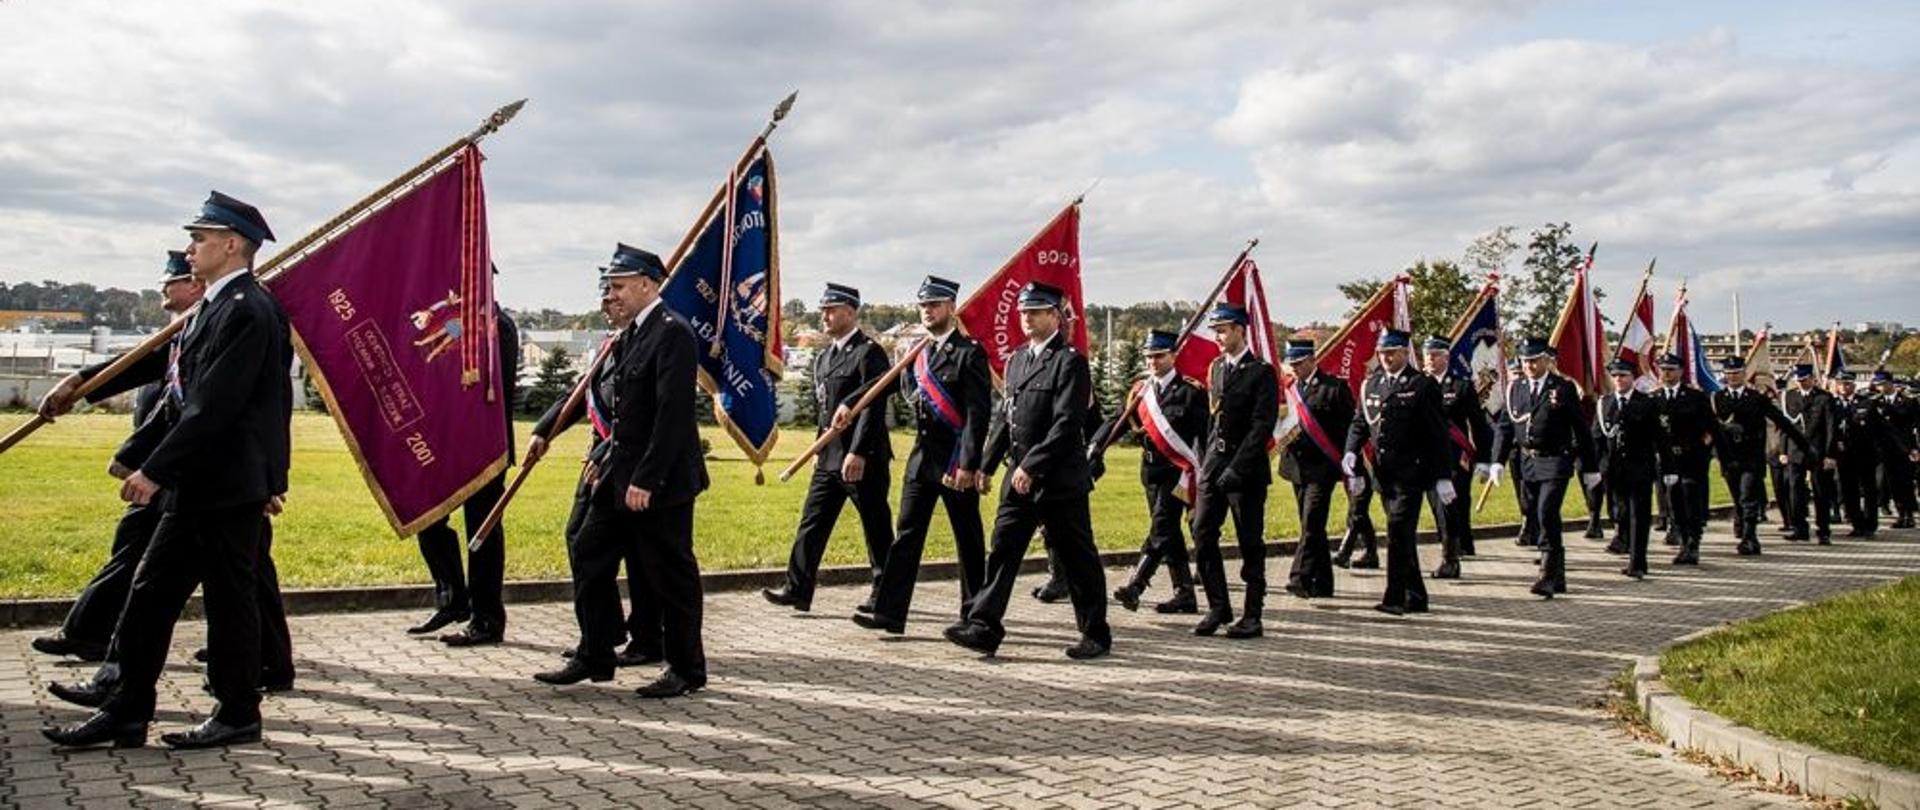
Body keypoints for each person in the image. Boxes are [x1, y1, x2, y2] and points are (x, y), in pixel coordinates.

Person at [42, 191, 292, 750]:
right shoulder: (215, 307)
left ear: (232, 245)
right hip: (203, 481)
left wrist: (153, 470)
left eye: (200, 238)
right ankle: (129, 708)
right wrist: (82, 383)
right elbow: (163, 364)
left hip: (225, 483)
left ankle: (234, 712)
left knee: (225, 600)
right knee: (155, 592)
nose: (191, 248)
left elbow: (214, 405)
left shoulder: (249, 310)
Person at [533, 243, 708, 699]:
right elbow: (608, 400)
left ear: (647, 284)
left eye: (619, 286)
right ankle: (595, 651)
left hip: (660, 481)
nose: (610, 294)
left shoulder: (672, 333)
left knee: (670, 575)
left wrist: (647, 479)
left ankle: (686, 669)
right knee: (587, 550)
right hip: (620, 472)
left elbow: (672, 416)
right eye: (609, 286)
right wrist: (547, 429)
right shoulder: (629, 336)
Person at [31, 252, 203, 662]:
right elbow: (143, 374)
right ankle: (90, 633)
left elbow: (217, 409)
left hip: (188, 469)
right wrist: (78, 381)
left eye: (173, 280)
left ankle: (259, 655)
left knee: (234, 565)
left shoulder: (217, 325)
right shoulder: (181, 332)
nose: (164, 288)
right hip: (158, 466)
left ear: (194, 284)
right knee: (133, 547)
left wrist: (268, 477)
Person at [945, 281, 1110, 660]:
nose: (1027, 318)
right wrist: (986, 464)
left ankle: (1095, 633)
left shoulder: (1070, 361)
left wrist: (1033, 464)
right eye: (1023, 312)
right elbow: (1008, 418)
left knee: (1077, 557)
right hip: (1019, 479)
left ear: (1055, 315)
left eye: (1035, 312)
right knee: (1003, 549)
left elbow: (1067, 423)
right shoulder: (1018, 360)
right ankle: (984, 626)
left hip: (1059, 481)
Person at [528, 278, 660, 668]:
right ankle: (602, 634)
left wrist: (605, 455)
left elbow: (641, 413)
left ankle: (643, 639)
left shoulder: (650, 342)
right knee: (580, 539)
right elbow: (580, 393)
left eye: (614, 294)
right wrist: (544, 430)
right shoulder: (610, 345)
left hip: (631, 463)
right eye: (604, 296)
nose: (607, 302)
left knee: (638, 554)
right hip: (602, 458)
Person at [854, 275, 991, 635]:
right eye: (923, 306)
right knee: (906, 537)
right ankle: (889, 613)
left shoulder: (969, 352)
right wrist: (848, 405)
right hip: (921, 462)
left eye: (934, 305)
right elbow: (884, 386)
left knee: (968, 540)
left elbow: (977, 414)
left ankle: (974, 615)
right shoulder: (919, 352)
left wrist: (969, 463)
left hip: (954, 462)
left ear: (951, 307)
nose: (928, 311)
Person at [763, 284, 894, 614]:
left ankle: (886, 594)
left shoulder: (869, 352)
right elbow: (826, 411)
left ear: (850, 312)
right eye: (823, 310)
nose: (824, 316)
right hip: (829, 456)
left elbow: (873, 406)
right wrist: (818, 450)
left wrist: (858, 451)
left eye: (831, 310)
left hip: (861, 458)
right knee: (812, 523)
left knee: (876, 527)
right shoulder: (824, 357)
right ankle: (797, 589)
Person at [409, 300, 519, 646]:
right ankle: (453, 598)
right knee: (426, 516)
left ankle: (487, 619)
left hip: (485, 446)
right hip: (448, 443)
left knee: (482, 531)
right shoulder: (456, 320)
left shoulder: (498, 325)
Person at [1090, 329, 1206, 614]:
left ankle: (1136, 584)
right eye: (1149, 357)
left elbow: (1204, 436)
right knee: (1169, 532)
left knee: (1161, 527)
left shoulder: (1190, 392)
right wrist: (1095, 446)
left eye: (1159, 356)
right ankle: (1184, 593)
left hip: (1178, 473)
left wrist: (1205, 474)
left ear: (1173, 356)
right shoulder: (1141, 391)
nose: (1153, 362)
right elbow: (1116, 421)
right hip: (1151, 472)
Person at [1344, 329, 1454, 615]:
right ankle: (1416, 595)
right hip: (1385, 475)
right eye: (1382, 353)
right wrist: (1350, 451)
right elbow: (1360, 423)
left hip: (1412, 473)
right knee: (1403, 537)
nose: (1386, 357)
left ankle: (1394, 598)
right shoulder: (1372, 384)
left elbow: (1438, 434)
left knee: (1397, 532)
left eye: (1392, 352)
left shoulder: (1422, 385)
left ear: (1406, 352)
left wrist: (1443, 476)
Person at [1185, 304, 1278, 639]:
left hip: (1246, 469)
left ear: (1240, 330)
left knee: (1249, 541)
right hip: (1215, 463)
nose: (1218, 337)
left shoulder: (1261, 372)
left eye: (1223, 330)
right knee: (1202, 532)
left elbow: (1262, 425)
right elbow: (1213, 423)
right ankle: (1218, 606)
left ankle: (1252, 614)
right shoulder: (1217, 368)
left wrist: (1238, 467)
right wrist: (1207, 463)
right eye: (1216, 331)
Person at [1488, 337, 1599, 598]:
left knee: (1547, 511)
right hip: (1528, 461)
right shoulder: (1515, 389)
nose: (1529, 366)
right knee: (1538, 514)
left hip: (1555, 459)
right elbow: (1505, 427)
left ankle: (1546, 576)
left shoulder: (1562, 388)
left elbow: (1580, 428)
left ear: (1546, 361)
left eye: (1535, 360)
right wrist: (1497, 461)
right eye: (1525, 361)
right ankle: (1558, 575)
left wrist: (1591, 467)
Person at [1709, 357, 1809, 556]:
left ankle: (1750, 537)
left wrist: (1804, 445)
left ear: (1744, 374)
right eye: (1728, 374)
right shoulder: (1717, 398)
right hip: (1729, 457)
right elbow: (1711, 425)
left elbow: (1781, 421)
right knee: (1738, 497)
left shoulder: (1756, 398)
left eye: (1736, 373)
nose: (1732, 377)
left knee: (1748, 497)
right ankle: (1742, 525)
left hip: (1751, 456)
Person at [1280, 339, 1353, 600]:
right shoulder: (1289, 389)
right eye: (1292, 363)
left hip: (1323, 467)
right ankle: (1323, 583)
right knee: (1313, 525)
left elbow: (1349, 427)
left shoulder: (1334, 388)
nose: (1295, 368)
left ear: (1313, 360)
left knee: (1311, 522)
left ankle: (1299, 576)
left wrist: (1349, 460)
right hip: (1296, 467)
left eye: (1299, 363)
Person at [1420, 335, 1492, 579]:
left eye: (1435, 355)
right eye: (1427, 355)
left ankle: (1451, 556)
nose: (1430, 359)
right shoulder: (1418, 384)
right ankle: (1456, 543)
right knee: (1436, 506)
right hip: (1427, 457)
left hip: (1455, 456)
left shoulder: (1461, 386)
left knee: (1451, 505)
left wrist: (1483, 459)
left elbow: (1478, 425)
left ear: (1446, 357)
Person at [1595, 360, 1660, 577]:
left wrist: (1668, 469)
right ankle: (1624, 543)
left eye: (1623, 376)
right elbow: (1597, 437)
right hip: (1614, 470)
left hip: (1639, 468)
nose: (1618, 380)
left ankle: (1638, 562)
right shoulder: (1605, 403)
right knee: (1619, 512)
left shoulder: (1646, 403)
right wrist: (1595, 466)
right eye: (1615, 376)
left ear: (1633, 378)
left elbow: (1659, 438)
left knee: (1638, 515)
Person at [1651, 353, 1717, 564]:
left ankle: (1692, 543)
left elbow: (1712, 428)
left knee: (1691, 500)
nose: (1666, 374)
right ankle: (1681, 539)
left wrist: (1716, 455)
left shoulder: (1695, 397)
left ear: (1680, 371)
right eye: (1663, 370)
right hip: (1667, 460)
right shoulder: (1654, 399)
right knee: (1674, 502)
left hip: (1691, 458)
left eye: (1671, 370)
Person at [1777, 364, 1836, 544]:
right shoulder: (1790, 396)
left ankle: (1823, 530)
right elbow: (1785, 426)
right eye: (1798, 380)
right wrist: (1783, 450)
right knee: (1795, 489)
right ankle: (1799, 527)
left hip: (1817, 449)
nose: (1801, 383)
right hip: (1795, 450)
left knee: (1820, 491)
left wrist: (1830, 454)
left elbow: (1830, 427)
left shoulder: (1824, 397)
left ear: (1812, 378)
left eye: (1804, 379)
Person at [1832, 373, 1896, 539]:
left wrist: (1880, 449)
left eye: (1847, 384)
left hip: (1865, 453)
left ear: (1853, 385)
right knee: (1848, 491)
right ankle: (1857, 523)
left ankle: (1870, 525)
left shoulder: (1867, 403)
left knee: (1869, 491)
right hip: (1844, 454)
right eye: (1841, 384)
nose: (1844, 387)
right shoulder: (1833, 404)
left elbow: (1880, 428)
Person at [1872, 371, 1918, 529]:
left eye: (1883, 384)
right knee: (1891, 483)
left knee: (1905, 482)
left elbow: (1915, 426)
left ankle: (1909, 514)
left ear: (1890, 383)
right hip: (1885, 449)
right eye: (1878, 385)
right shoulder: (1875, 402)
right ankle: (1900, 513)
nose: (1880, 387)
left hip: (1904, 449)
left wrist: (1914, 448)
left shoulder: (1908, 401)